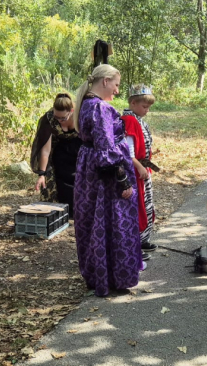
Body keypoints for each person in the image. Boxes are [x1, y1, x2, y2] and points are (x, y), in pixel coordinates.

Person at [72, 64, 143, 297]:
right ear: (105, 81)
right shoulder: (100, 108)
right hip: (106, 178)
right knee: (111, 221)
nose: (117, 90)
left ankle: (98, 274)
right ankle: (114, 276)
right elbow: (106, 153)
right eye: (116, 84)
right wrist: (124, 182)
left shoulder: (85, 104)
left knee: (94, 222)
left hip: (89, 173)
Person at [121, 84, 159, 260]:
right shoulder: (129, 120)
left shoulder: (138, 119)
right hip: (134, 171)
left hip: (142, 170)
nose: (147, 110)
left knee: (146, 205)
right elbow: (127, 152)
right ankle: (134, 245)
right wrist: (140, 166)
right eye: (144, 107)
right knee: (137, 208)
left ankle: (142, 239)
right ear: (133, 103)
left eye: (149, 107)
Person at [30, 93, 82, 216]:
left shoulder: (81, 115)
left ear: (71, 111)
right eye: (56, 117)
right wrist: (42, 174)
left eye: (63, 118)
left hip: (80, 151)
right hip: (60, 153)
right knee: (61, 183)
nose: (59, 121)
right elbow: (45, 150)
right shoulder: (49, 118)